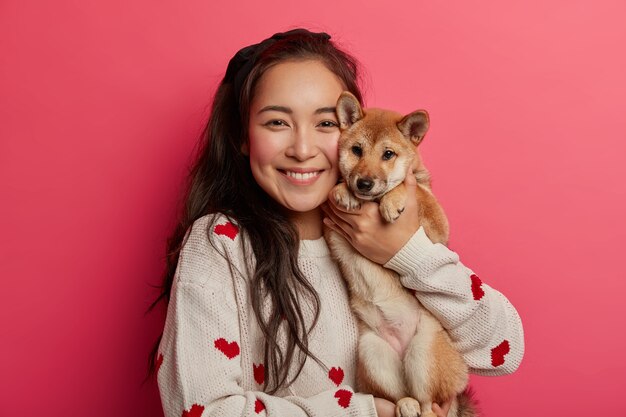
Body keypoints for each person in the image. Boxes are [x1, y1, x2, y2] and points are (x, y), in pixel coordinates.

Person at [148, 28, 524, 417]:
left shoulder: (382, 228)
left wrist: (408, 252)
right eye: (277, 123)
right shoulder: (220, 244)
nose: (302, 149)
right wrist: (365, 412)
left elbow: (503, 349)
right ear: (243, 137)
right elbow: (201, 410)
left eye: (326, 124)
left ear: (352, 125)